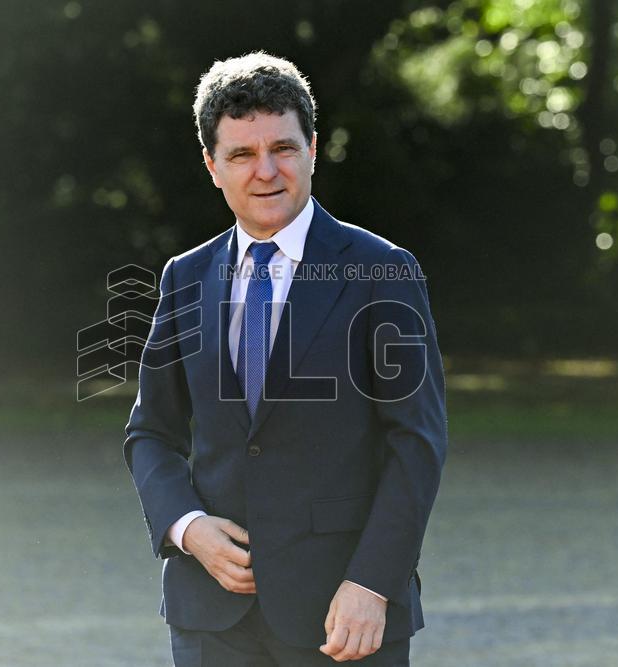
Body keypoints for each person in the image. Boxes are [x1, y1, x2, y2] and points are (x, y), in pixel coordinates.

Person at [124, 52, 447, 666]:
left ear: (313, 149)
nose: (266, 171)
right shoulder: (184, 278)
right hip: (211, 613)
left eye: (284, 148)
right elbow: (151, 433)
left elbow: (418, 442)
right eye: (242, 154)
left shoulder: (383, 271)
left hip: (345, 616)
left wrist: (373, 583)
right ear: (211, 165)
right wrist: (187, 527)